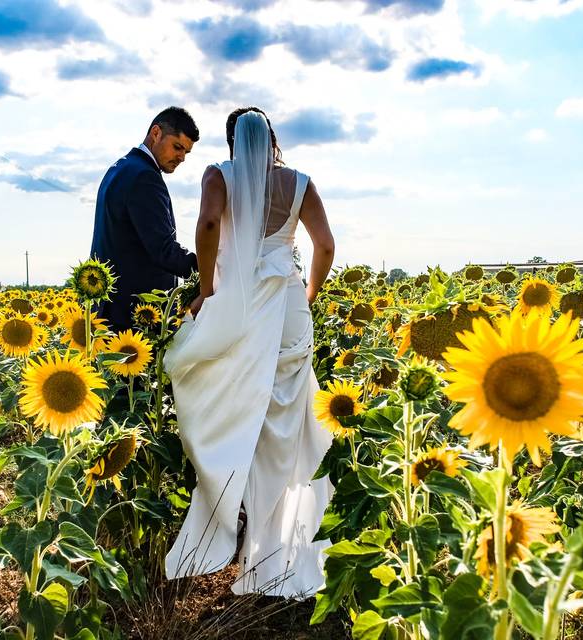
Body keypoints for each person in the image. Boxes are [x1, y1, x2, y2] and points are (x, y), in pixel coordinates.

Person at [163, 107, 336, 598]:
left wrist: (207, 289)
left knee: (243, 420)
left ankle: (239, 539)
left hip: (240, 309)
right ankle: (285, 548)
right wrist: (307, 295)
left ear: (233, 142)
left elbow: (209, 224)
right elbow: (324, 246)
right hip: (286, 309)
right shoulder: (300, 183)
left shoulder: (220, 175)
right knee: (291, 426)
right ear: (273, 140)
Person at [90, 107, 199, 331]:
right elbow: (163, 250)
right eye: (177, 147)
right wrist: (209, 268)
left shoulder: (120, 168)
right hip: (133, 318)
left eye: (186, 152)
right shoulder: (144, 176)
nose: (181, 157)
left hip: (107, 311)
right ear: (156, 133)